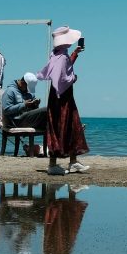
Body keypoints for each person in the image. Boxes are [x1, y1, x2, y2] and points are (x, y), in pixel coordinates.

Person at [37, 26, 89, 176]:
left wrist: (75, 54)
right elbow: (62, 78)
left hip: (58, 97)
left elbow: (62, 69)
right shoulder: (61, 57)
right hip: (62, 98)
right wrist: (74, 78)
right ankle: (57, 164)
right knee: (65, 126)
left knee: (67, 126)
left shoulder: (57, 55)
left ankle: (70, 162)